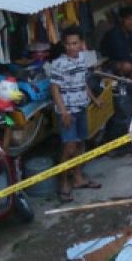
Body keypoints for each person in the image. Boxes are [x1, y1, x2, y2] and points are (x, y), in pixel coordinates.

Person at [48, 26, 100, 202]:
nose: (71, 47)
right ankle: (64, 182)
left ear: (81, 44)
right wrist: (63, 112)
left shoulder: (83, 59)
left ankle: (78, 178)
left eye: (75, 43)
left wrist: (93, 98)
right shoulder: (58, 64)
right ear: (64, 45)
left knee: (81, 144)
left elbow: (82, 82)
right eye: (68, 44)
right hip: (68, 112)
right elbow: (54, 89)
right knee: (69, 147)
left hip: (82, 107)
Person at [100, 7, 132, 78]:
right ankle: (122, 83)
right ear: (122, 19)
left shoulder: (131, 32)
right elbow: (122, 55)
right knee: (128, 66)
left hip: (123, 58)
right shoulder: (114, 34)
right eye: (129, 19)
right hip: (106, 61)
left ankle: (129, 83)